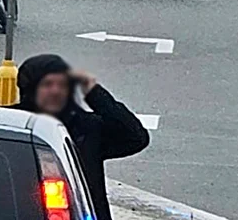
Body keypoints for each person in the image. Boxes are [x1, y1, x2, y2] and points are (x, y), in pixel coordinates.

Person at [12, 54, 149, 220]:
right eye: (47, 84)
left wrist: (93, 92)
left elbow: (136, 137)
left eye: (62, 84)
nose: (55, 91)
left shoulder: (85, 126)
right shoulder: (10, 123)